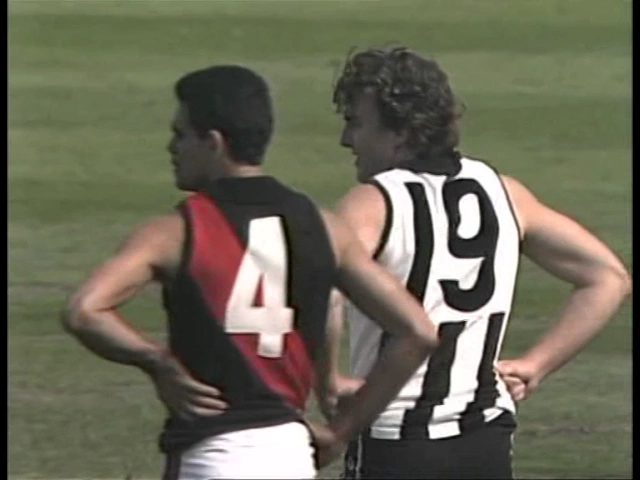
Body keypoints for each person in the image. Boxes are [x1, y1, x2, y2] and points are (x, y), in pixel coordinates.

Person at [60, 65, 441, 480]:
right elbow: (417, 332)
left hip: (212, 457)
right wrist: (341, 432)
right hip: (291, 456)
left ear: (214, 143)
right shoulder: (325, 228)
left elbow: (84, 310)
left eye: (181, 135)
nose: (172, 147)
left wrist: (155, 362)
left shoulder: (176, 231)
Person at [321, 46, 632, 479]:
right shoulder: (502, 191)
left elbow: (323, 297)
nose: (346, 139)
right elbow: (608, 277)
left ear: (401, 132)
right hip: (484, 435)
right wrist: (536, 364)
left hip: (396, 438)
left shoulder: (372, 203)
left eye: (356, 123)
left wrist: (326, 381)